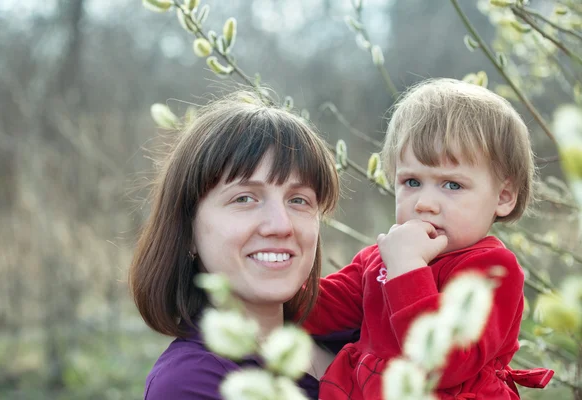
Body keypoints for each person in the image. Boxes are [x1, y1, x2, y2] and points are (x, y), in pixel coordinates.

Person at [302, 78, 554, 399]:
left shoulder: (493, 271)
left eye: (451, 185)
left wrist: (407, 268)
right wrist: (263, 286)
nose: (424, 203)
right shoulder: (380, 258)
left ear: (503, 196)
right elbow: (320, 308)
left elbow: (443, 363)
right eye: (411, 181)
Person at [128, 90, 341, 400]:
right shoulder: (190, 385)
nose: (281, 225)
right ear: (187, 230)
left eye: (298, 200)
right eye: (245, 198)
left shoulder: (357, 333)